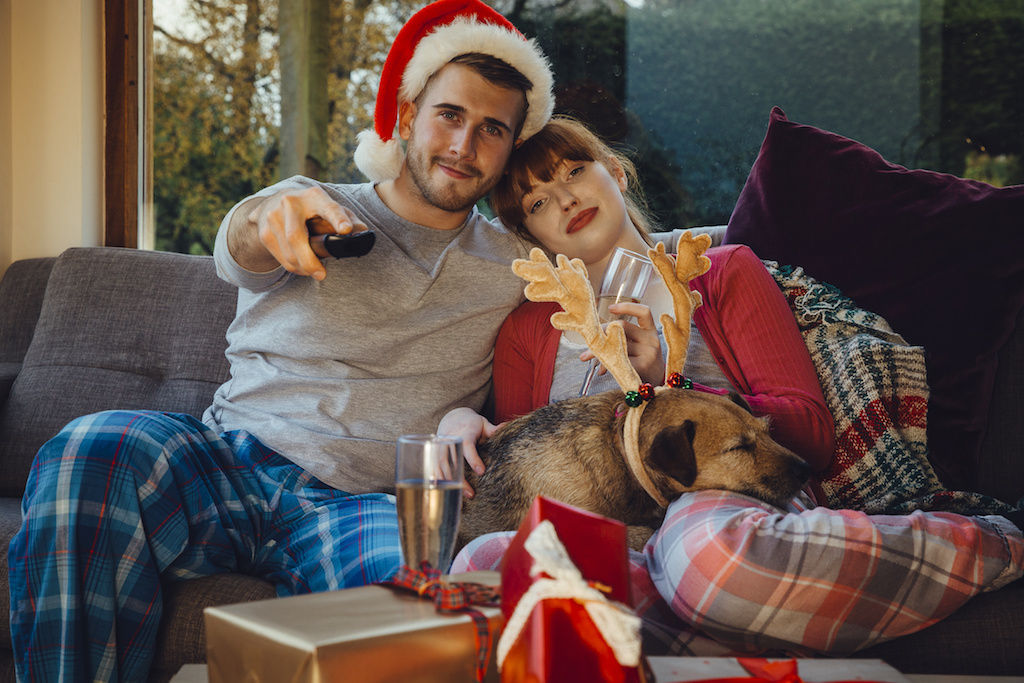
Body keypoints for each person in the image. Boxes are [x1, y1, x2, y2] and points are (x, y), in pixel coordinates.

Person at [7, 1, 554, 680]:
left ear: (510, 147)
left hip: (366, 503)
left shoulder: (518, 265)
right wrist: (267, 217)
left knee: (425, 599)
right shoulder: (311, 204)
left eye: (491, 128)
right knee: (91, 446)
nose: (464, 145)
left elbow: (615, 268)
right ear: (408, 115)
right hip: (229, 462)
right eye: (450, 114)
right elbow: (241, 243)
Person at [443, 116, 1024, 655]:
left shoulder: (723, 273)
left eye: (575, 171)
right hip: (618, 527)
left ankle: (1004, 543)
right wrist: (461, 423)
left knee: (707, 561)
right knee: (486, 560)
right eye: (538, 201)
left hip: (726, 502)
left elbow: (811, 433)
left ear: (615, 172)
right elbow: (524, 469)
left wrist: (670, 389)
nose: (565, 197)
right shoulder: (529, 328)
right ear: (529, 235)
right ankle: (733, 634)